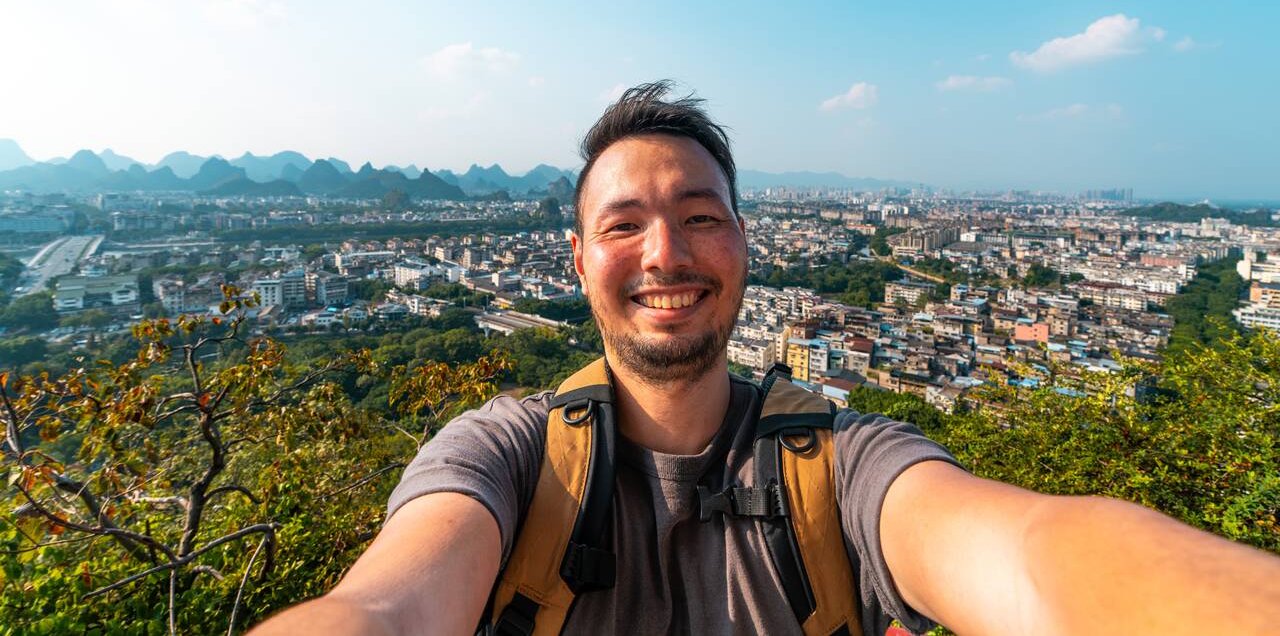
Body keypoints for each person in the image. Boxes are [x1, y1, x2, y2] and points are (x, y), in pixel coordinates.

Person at [253, 82, 1280, 635]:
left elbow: (1026, 557)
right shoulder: (507, 459)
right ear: (574, 261)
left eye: (699, 217)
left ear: (742, 245)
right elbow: (385, 607)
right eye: (625, 225)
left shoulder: (836, 466)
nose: (664, 253)